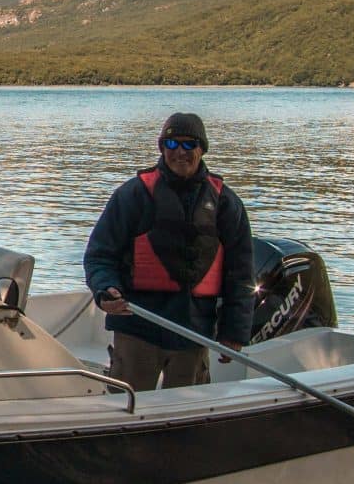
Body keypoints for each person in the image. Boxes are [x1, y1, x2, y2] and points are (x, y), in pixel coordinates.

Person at [82, 112, 255, 388]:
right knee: (126, 406)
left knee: (188, 411)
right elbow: (99, 256)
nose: (180, 153)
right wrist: (104, 289)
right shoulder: (132, 196)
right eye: (172, 144)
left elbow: (241, 274)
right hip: (138, 326)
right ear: (162, 148)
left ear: (202, 149)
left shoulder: (226, 204)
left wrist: (234, 332)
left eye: (189, 145)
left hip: (193, 332)